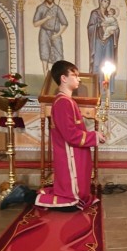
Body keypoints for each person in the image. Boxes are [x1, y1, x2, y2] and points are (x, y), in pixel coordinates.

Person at [30, 61, 105, 211]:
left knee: (78, 198)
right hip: (69, 156)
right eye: (74, 75)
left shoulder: (67, 101)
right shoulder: (63, 102)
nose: (79, 79)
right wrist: (94, 136)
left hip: (75, 155)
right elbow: (70, 135)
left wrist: (93, 135)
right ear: (63, 78)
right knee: (71, 203)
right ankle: (24, 195)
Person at [87, 0, 119, 94]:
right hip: (97, 40)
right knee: (97, 63)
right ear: (100, 2)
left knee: (109, 63)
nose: (106, 4)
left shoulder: (110, 15)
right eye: (105, 1)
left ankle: (107, 89)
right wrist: (98, 25)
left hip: (108, 41)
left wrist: (114, 32)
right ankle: (96, 88)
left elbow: (116, 28)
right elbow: (90, 27)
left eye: (108, 2)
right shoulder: (95, 13)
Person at [32, 0, 68, 75]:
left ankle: (57, 76)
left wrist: (57, 35)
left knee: (59, 54)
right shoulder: (41, 8)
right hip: (44, 33)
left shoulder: (57, 8)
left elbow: (65, 23)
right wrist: (46, 18)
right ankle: (46, 77)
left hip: (55, 33)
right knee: (44, 54)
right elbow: (35, 23)